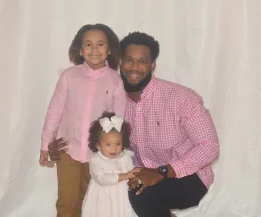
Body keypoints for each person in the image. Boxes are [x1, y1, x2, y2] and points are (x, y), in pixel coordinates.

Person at [47, 31, 219, 217]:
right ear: (120, 62)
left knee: (141, 195)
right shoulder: (114, 99)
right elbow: (83, 121)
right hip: (139, 174)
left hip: (187, 176)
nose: (134, 67)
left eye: (142, 61)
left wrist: (162, 172)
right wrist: (59, 144)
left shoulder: (182, 98)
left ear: (153, 65)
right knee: (114, 189)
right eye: (129, 60)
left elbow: (209, 147)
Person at [39, 24, 127, 217]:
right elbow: (55, 109)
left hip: (97, 154)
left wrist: (114, 151)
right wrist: (46, 143)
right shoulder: (69, 76)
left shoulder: (115, 81)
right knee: (67, 202)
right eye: (88, 44)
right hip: (67, 149)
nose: (94, 50)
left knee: (90, 201)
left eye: (100, 44)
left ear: (110, 49)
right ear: (80, 50)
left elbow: (117, 121)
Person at [82, 111, 136, 217]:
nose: (114, 148)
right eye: (108, 144)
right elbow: (101, 179)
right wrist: (124, 176)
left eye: (118, 143)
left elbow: (132, 175)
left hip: (121, 198)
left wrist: (135, 175)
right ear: (98, 145)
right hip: (102, 199)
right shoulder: (95, 160)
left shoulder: (126, 158)